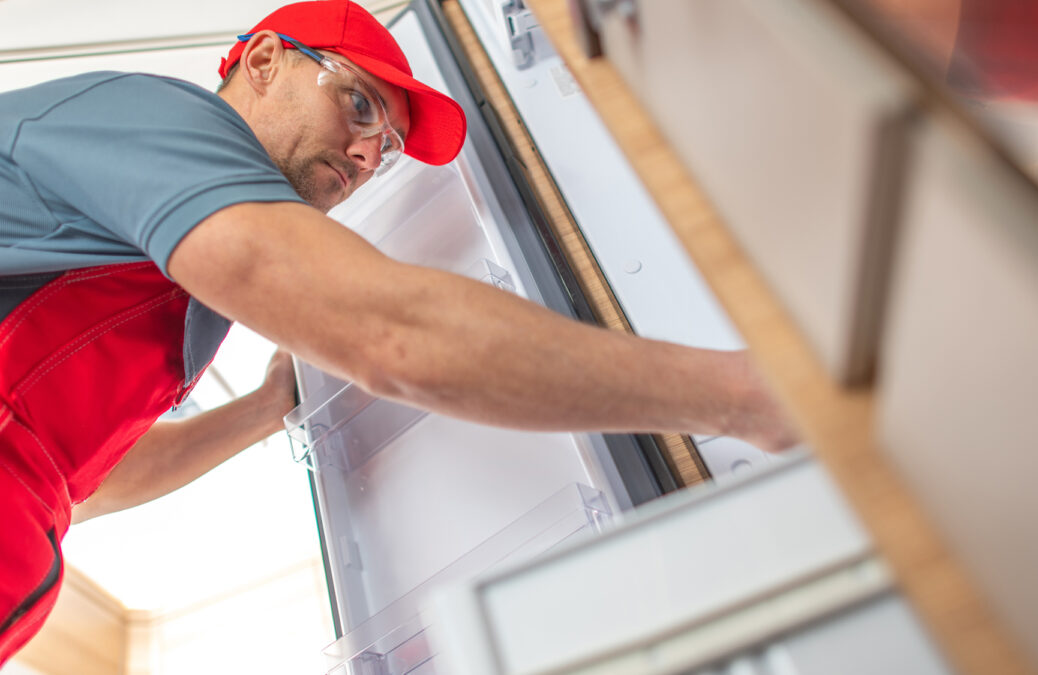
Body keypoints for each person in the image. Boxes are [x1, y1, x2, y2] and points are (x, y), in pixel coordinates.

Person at [0, 0, 797, 664]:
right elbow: (391, 330)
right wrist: (745, 395)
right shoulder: (163, 121)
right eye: (357, 106)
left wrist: (267, 407)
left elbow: (86, 479)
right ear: (265, 60)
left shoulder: (174, 277)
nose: (364, 154)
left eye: (383, 149)